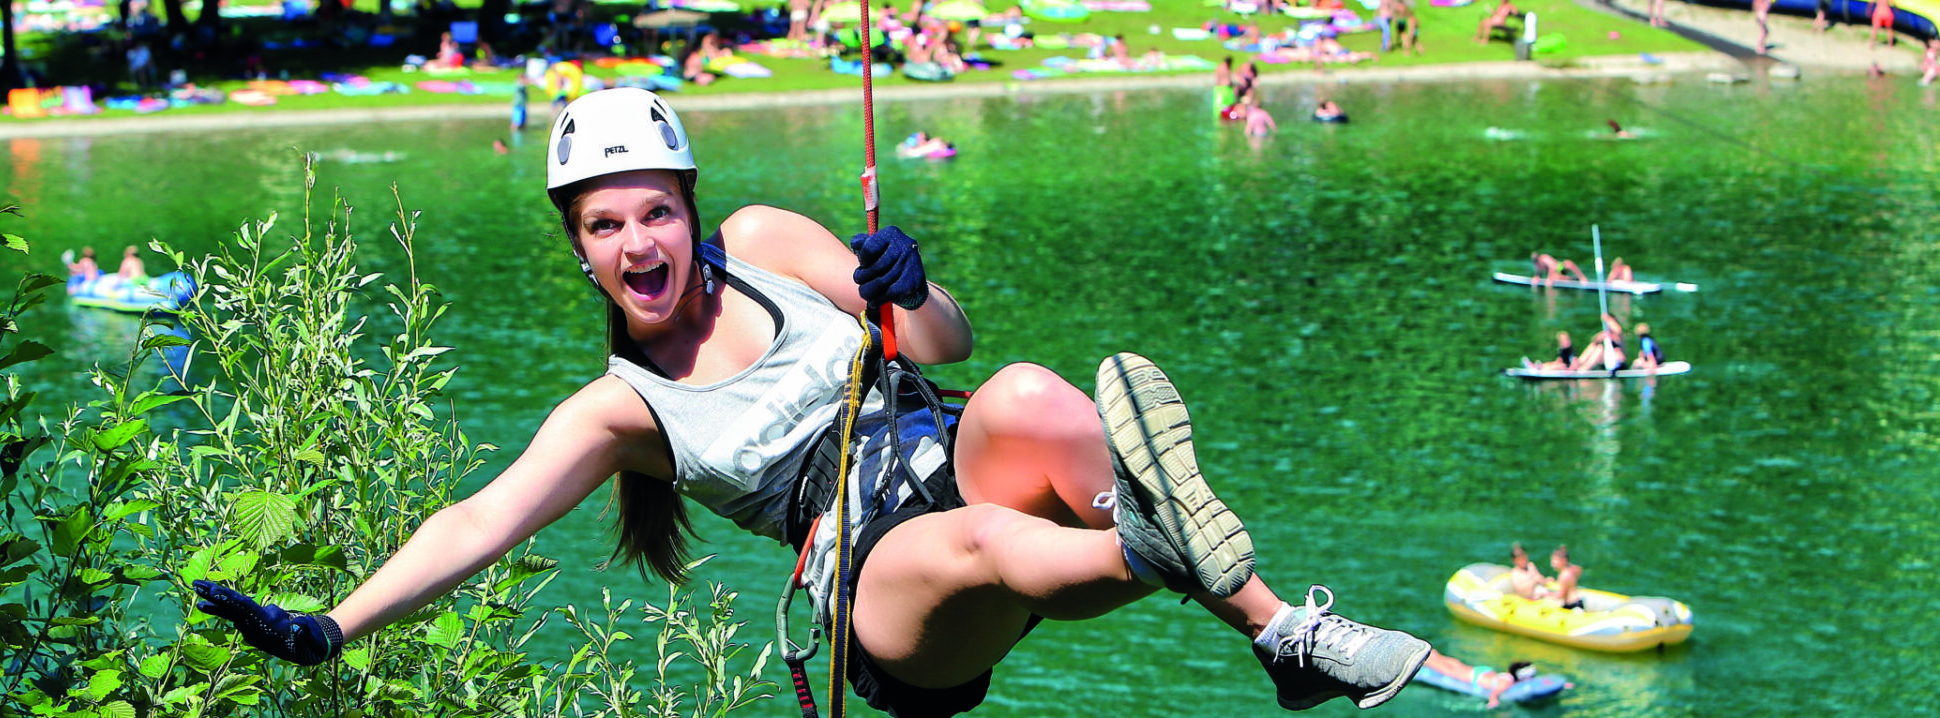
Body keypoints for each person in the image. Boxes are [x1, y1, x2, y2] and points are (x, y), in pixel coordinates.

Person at [188, 87, 1433, 717]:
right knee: (989, 542)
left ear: (689, 206)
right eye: (605, 225)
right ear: (579, 250)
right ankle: (1155, 537)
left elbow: (945, 339)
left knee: (1026, 390)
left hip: (951, 448)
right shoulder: (621, 410)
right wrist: (330, 627)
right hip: (873, 589)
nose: (638, 241)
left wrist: (911, 285)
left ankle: (1283, 640)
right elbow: (474, 523)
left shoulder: (768, 240)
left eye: (654, 211)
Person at [1419, 653, 1553, 708]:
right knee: (1446, 669)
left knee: (1454, 663)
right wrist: (1493, 701)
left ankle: (1434, 654)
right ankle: (1425, 660)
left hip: (1484, 671)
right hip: (1473, 677)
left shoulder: (1508, 677)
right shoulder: (1507, 683)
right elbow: (1495, 693)